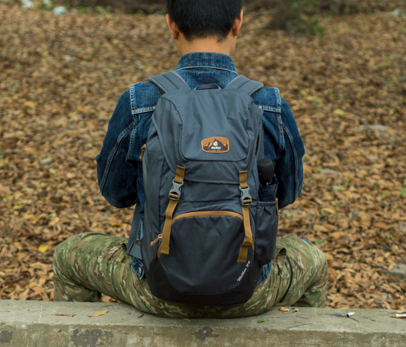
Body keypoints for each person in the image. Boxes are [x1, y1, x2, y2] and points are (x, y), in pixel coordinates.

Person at [52, 0, 328, 318]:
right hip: (249, 289)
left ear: (171, 25)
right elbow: (288, 195)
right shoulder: (268, 103)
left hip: (156, 289)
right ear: (238, 22)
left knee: (68, 256)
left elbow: (116, 194)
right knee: (314, 260)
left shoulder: (141, 99)